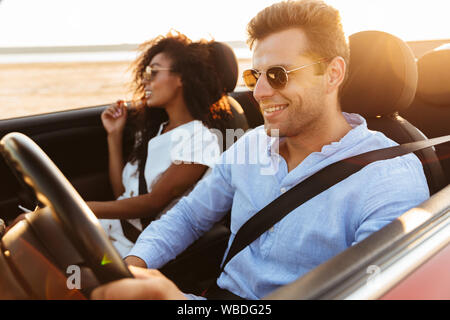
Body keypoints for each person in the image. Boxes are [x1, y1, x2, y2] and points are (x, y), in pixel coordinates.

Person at [92, 0, 429, 299]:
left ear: (332, 74)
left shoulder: (387, 179)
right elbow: (189, 216)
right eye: (255, 77)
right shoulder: (252, 144)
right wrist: (133, 265)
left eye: (279, 75)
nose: (260, 92)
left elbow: (367, 291)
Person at [87, 32, 231, 257]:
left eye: (153, 72)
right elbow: (124, 194)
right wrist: (113, 136)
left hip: (131, 250)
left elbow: (153, 203)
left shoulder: (200, 139)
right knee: (27, 228)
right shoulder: (155, 131)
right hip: (106, 232)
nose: (145, 80)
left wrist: (82, 208)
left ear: (182, 77)